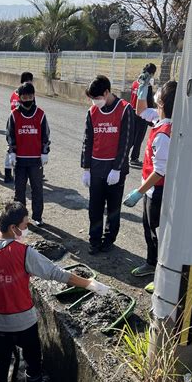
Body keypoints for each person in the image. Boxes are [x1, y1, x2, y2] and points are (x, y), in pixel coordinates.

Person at [0, 201, 107, 382]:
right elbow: (57, 273)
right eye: (24, 225)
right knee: (33, 362)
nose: (26, 229)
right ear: (14, 228)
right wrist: (90, 284)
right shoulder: (23, 252)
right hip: (24, 323)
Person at [123, 81, 177, 284]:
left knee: (157, 233)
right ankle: (152, 264)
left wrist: (138, 192)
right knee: (148, 228)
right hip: (150, 189)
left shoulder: (164, 135)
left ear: (162, 102)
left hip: (158, 190)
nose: (157, 93)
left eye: (159, 92)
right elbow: (141, 110)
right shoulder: (159, 119)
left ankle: (163, 278)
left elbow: (160, 171)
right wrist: (142, 89)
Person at [81, 75, 134, 254]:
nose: (95, 102)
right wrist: (86, 169)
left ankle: (109, 239)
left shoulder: (124, 109)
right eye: (92, 99)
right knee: (95, 206)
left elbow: (126, 141)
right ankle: (94, 240)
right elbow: (87, 140)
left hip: (115, 169)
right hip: (96, 167)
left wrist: (117, 168)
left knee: (113, 207)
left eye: (97, 98)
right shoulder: (92, 112)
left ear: (106, 92)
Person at [6, 82, 50, 227]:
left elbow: (45, 135)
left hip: (36, 160)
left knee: (37, 189)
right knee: (19, 190)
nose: (27, 99)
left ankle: (37, 216)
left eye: (30, 96)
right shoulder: (14, 115)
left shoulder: (40, 114)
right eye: (24, 97)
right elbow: (10, 135)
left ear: (34, 96)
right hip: (19, 160)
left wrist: (44, 152)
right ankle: (20, 218)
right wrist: (11, 152)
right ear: (20, 98)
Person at [5, 72, 35, 182]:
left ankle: (8, 172)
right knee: (14, 148)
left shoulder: (14, 93)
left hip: (13, 121)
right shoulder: (27, 94)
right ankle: (14, 173)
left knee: (11, 148)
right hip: (20, 123)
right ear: (28, 80)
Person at [130, 63, 157, 167]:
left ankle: (123, 155)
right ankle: (134, 158)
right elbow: (149, 102)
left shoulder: (135, 83)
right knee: (139, 137)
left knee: (131, 136)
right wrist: (151, 119)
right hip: (142, 113)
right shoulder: (147, 85)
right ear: (152, 73)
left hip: (133, 111)